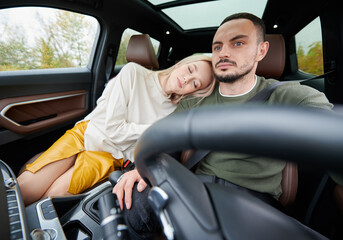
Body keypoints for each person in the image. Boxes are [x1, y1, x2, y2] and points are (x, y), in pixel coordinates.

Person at [113, 12, 333, 239]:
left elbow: (332, 131)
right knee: (133, 205)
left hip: (256, 203)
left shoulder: (289, 95)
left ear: (261, 50)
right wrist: (142, 167)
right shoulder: (195, 100)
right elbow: (162, 138)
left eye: (238, 43)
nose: (223, 53)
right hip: (195, 192)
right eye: (217, 47)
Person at [17, 54, 216, 206]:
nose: (187, 80)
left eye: (195, 84)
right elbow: (112, 128)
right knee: (23, 189)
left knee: (50, 200)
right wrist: (156, 128)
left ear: (194, 92)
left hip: (111, 156)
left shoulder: (174, 111)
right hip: (85, 134)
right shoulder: (134, 73)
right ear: (182, 63)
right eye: (190, 70)